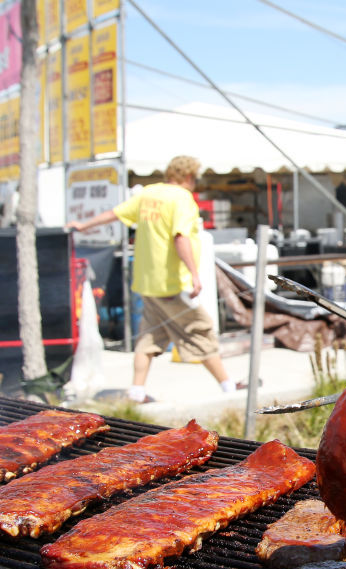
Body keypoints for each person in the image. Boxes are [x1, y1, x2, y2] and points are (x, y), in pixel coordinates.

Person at [68, 155, 245, 403]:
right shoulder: (182, 198)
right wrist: (195, 274)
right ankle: (229, 387)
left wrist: (83, 225)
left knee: (149, 337)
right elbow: (180, 237)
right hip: (170, 284)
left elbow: (115, 214)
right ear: (189, 177)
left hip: (147, 282)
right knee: (200, 330)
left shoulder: (148, 194)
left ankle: (137, 392)